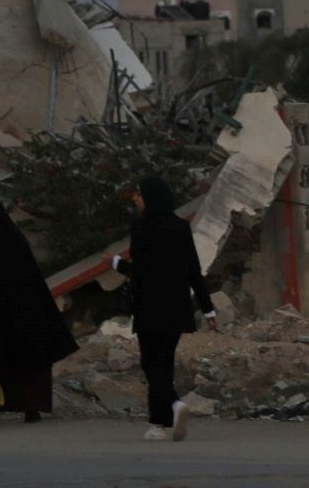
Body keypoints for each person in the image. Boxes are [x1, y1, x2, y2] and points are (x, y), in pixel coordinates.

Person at [110, 176, 217, 442]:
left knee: (150, 363)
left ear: (151, 197)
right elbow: (194, 270)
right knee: (164, 363)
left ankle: (173, 405)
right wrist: (208, 310)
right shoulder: (181, 227)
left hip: (149, 307)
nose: (135, 198)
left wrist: (117, 264)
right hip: (177, 307)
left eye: (139, 194)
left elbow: (140, 272)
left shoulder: (141, 227)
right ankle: (159, 424)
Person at [0, 197, 80, 423]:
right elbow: (33, 277)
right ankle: (32, 408)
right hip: (27, 315)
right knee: (29, 360)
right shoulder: (16, 238)